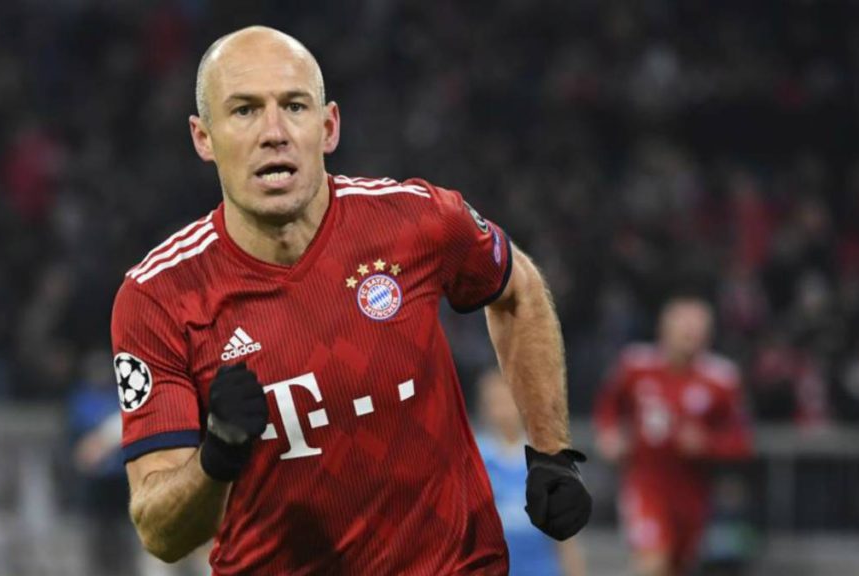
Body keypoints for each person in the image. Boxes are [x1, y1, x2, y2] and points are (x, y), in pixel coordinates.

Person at [110, 25, 591, 574]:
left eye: (294, 106)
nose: (274, 132)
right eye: (244, 110)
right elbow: (159, 531)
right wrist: (216, 456)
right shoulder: (158, 298)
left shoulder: (416, 221)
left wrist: (552, 452)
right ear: (203, 137)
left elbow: (517, 288)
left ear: (329, 126)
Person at [593, 296, 753, 576]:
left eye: (698, 328)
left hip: (692, 491)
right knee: (653, 563)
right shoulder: (635, 365)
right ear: (664, 329)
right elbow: (609, 405)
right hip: (645, 482)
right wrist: (609, 434)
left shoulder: (721, 379)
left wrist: (708, 444)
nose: (691, 333)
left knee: (676, 567)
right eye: (684, 326)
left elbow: (741, 441)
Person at [475, 368, 587, 576]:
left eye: (508, 401)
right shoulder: (476, 460)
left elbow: (567, 540)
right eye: (495, 403)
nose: (503, 411)